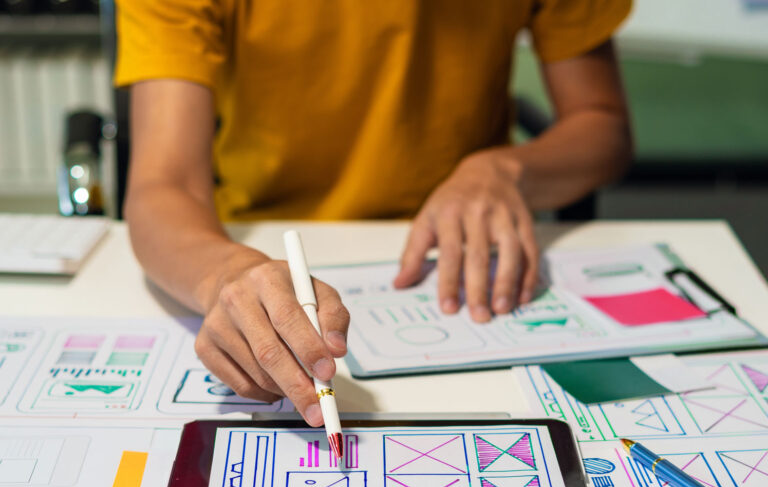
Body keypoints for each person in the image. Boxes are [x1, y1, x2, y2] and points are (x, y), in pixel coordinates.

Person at [116, 0, 633, 425]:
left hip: (463, 261)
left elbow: (603, 125)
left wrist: (507, 171)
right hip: (259, 247)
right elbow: (163, 185)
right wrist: (227, 274)